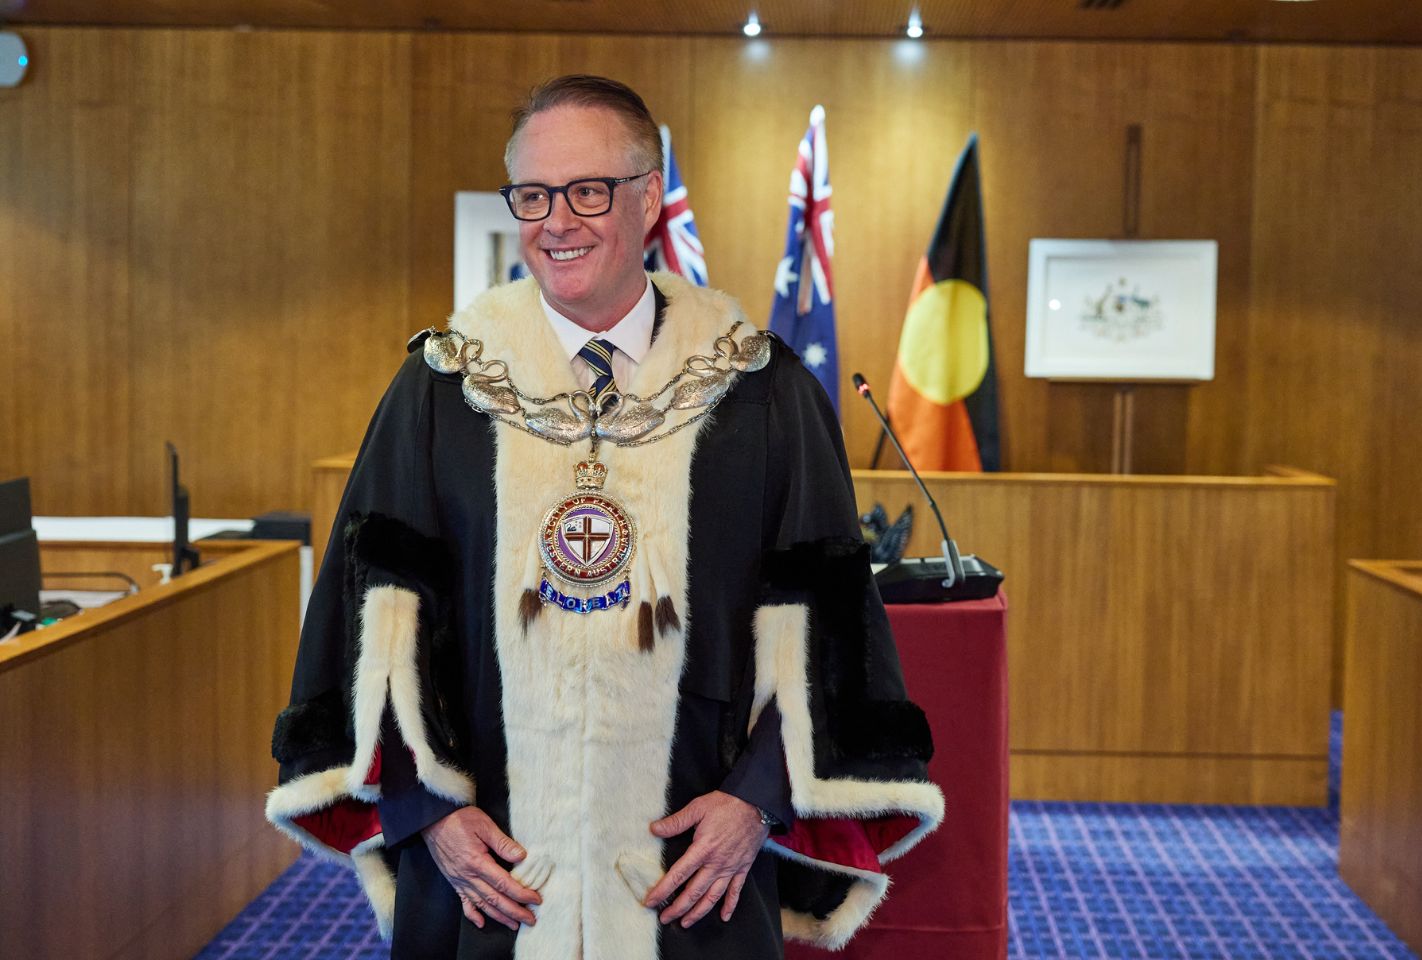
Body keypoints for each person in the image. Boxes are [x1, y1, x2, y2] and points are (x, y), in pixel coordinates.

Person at [266, 75, 943, 960]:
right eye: (534, 195)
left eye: (589, 191)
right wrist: (427, 813)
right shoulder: (442, 390)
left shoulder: (760, 393)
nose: (557, 221)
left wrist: (756, 803)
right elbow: (374, 619)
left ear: (650, 198)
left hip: (689, 864)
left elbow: (825, 624)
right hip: (491, 871)